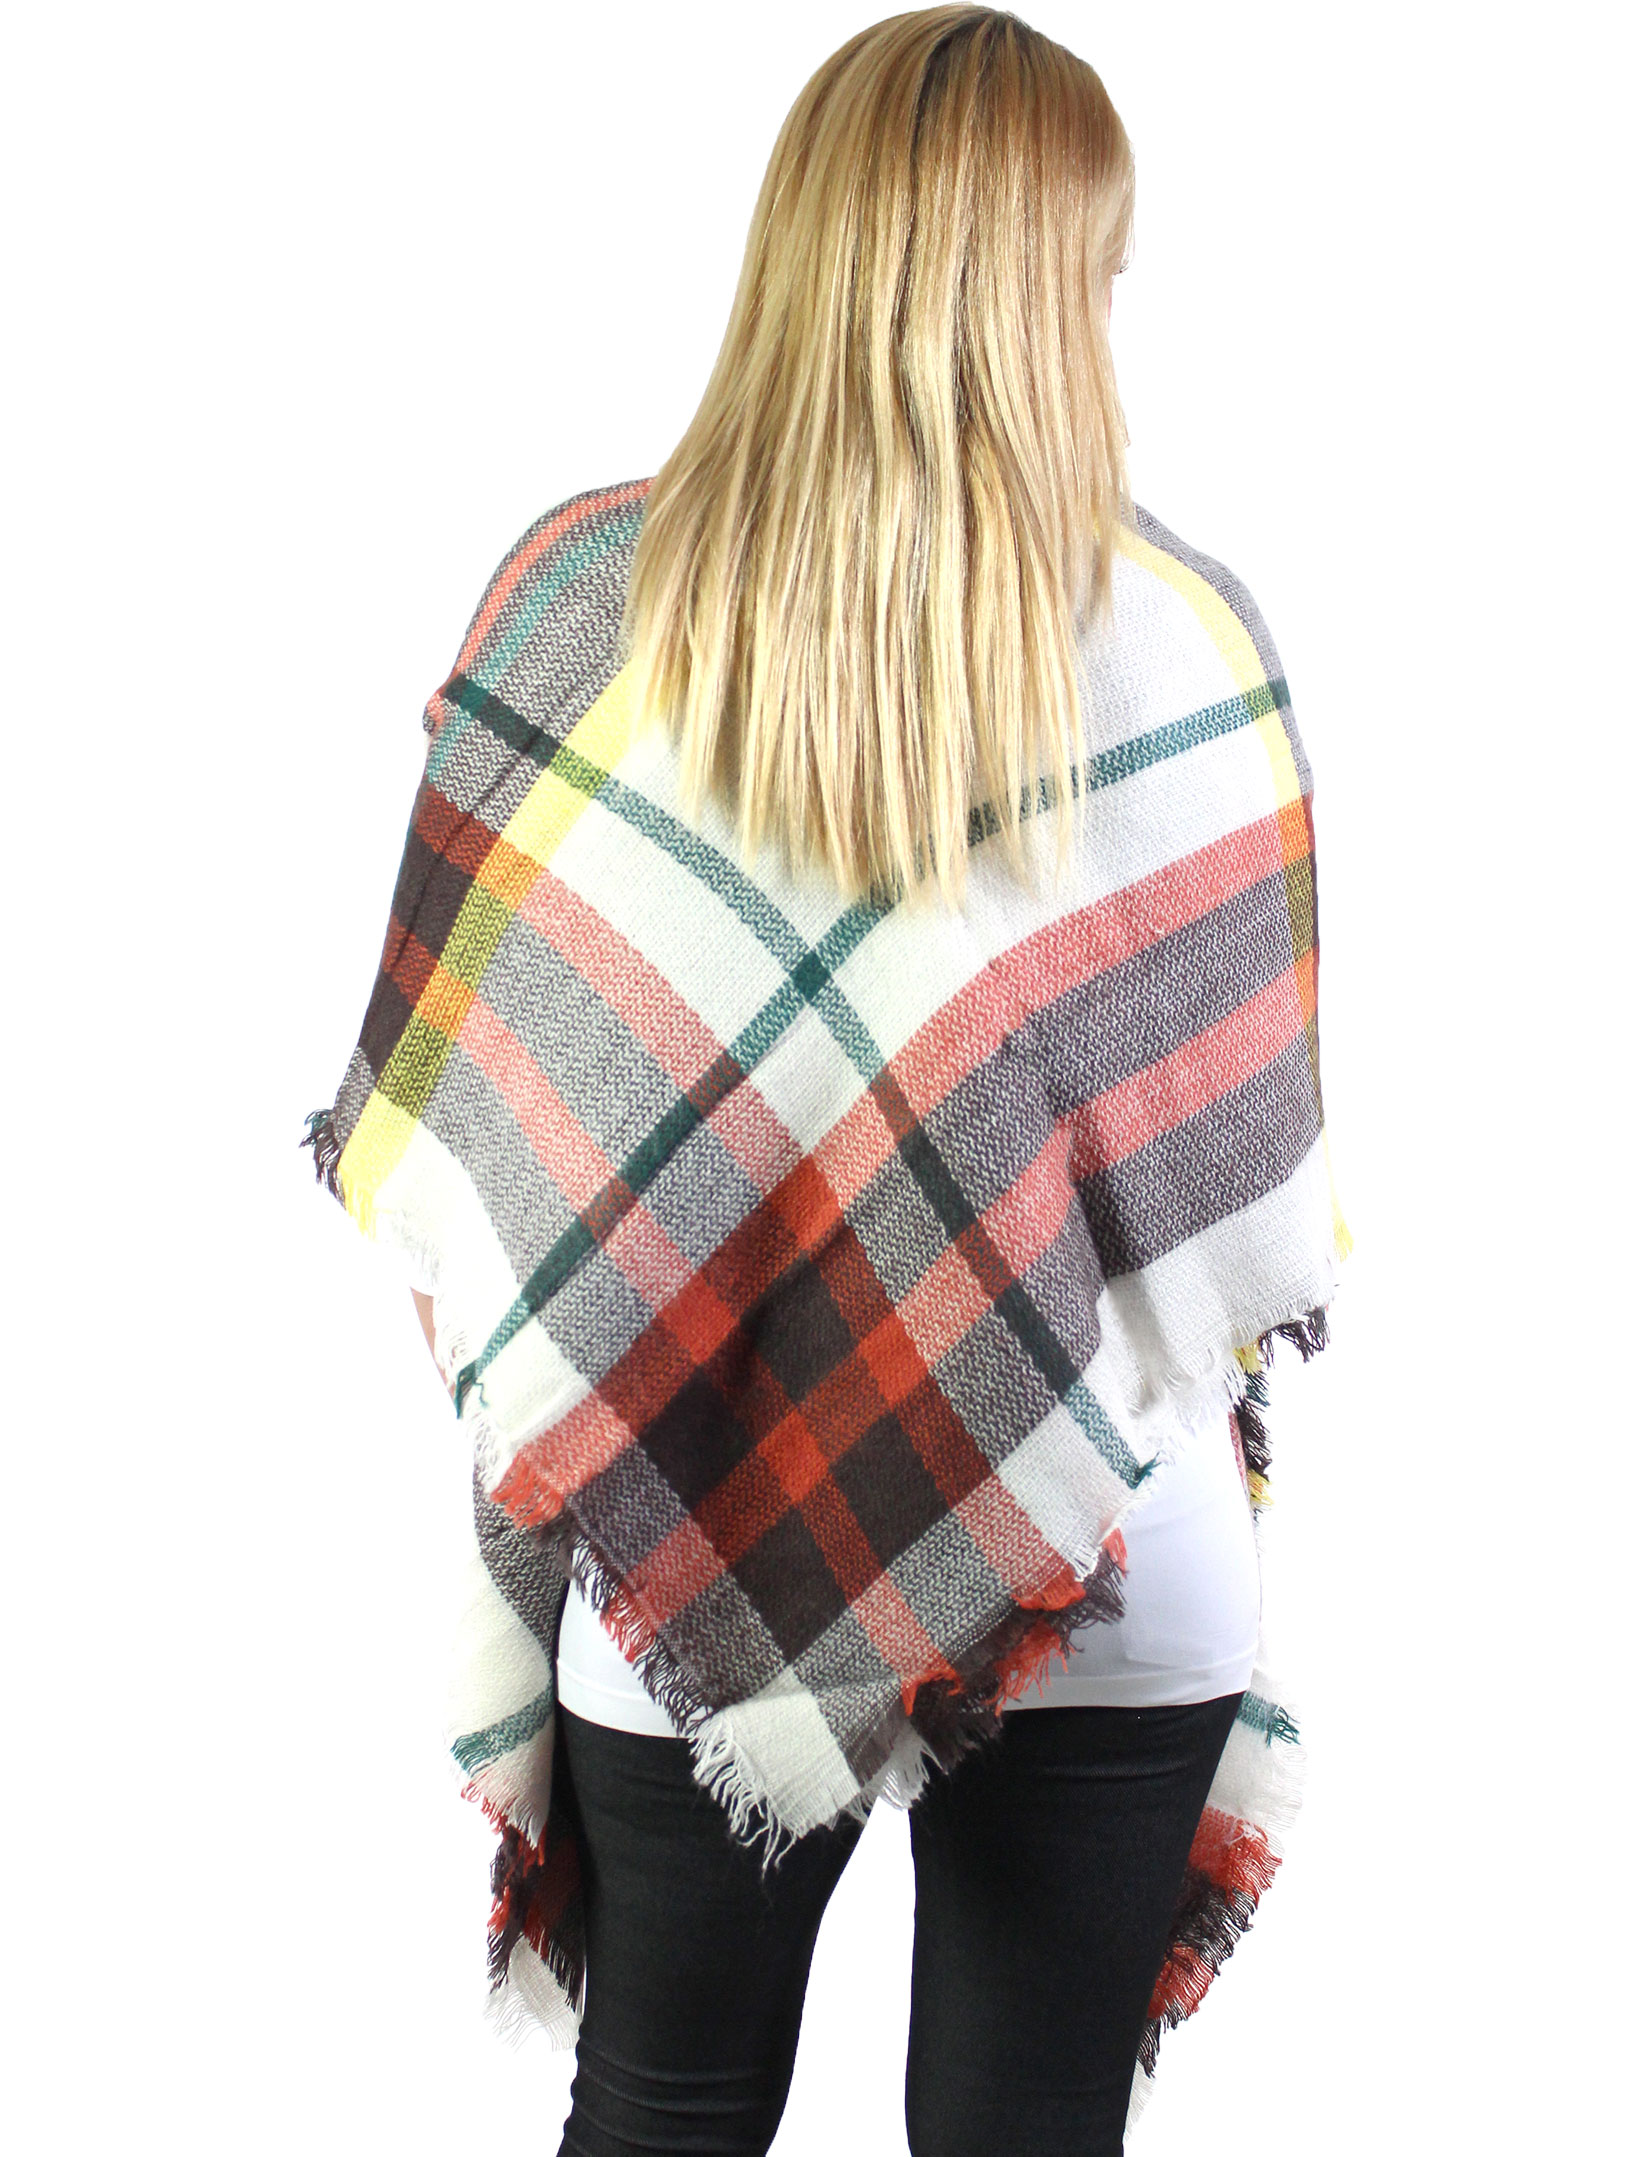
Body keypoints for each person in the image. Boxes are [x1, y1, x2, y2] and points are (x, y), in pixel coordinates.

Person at [382, 11, 1317, 2155]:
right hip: (1108, 1524)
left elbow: (477, 1121)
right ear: (1057, 287)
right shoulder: (1189, 646)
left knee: (667, 2105)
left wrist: (604, 1371)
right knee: (1028, 2126)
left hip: (686, 1525)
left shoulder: (580, 612)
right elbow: (1237, 1184)